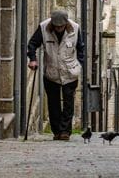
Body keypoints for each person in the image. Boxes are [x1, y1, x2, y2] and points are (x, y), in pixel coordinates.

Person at [27, 9, 84, 141]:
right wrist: (33, 59)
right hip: (51, 72)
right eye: (56, 26)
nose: (58, 28)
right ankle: (57, 131)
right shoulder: (43, 28)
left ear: (66, 24)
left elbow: (81, 48)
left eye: (61, 26)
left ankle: (65, 131)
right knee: (53, 104)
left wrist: (79, 65)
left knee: (68, 103)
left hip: (70, 72)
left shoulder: (75, 28)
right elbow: (32, 44)